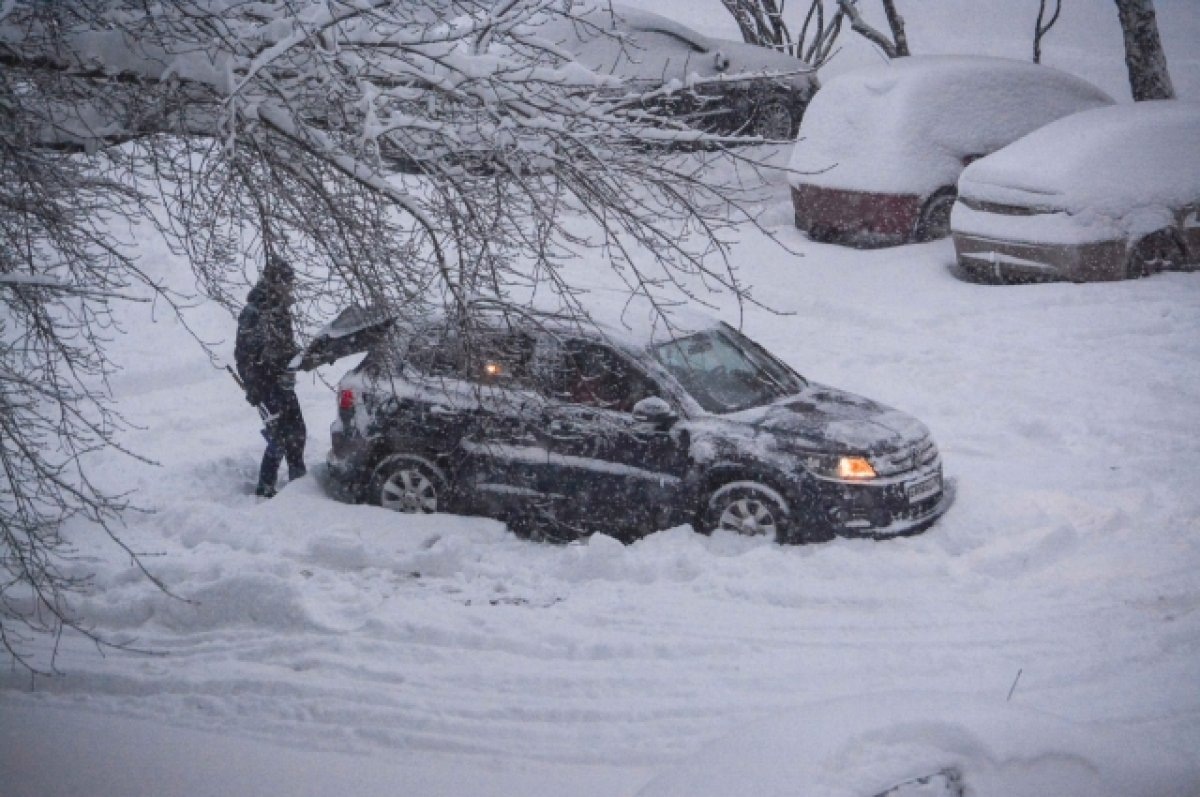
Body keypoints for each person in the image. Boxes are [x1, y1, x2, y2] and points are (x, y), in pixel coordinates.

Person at [234, 257, 306, 497]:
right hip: (265, 386)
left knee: (297, 431)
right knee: (279, 438)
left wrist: (301, 357)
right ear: (275, 282)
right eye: (287, 282)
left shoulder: (281, 310)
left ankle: (300, 482)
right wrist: (254, 389)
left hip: (283, 383)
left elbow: (285, 347)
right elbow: (243, 356)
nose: (291, 287)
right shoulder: (254, 313)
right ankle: (265, 489)